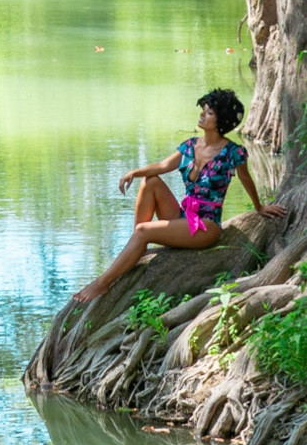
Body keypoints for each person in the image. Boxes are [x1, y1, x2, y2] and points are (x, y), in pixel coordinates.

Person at [70, 89, 285, 305]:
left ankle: (103, 282)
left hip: (206, 226)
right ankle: (138, 245)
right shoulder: (191, 145)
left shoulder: (233, 152)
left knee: (143, 230)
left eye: (209, 113)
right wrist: (134, 173)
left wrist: (259, 207)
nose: (202, 115)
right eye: (203, 110)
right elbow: (163, 166)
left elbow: (246, 179)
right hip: (184, 215)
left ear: (221, 120)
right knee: (151, 181)